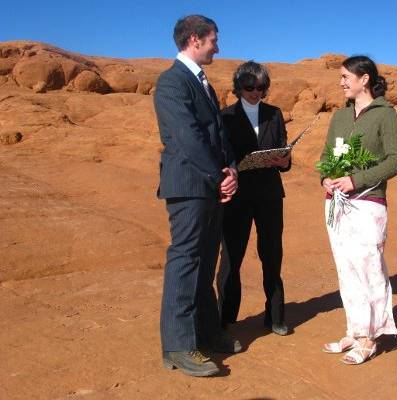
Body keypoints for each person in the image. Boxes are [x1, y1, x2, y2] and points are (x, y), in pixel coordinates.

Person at [154, 14, 241, 377]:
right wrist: (217, 175)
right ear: (194, 40)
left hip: (209, 186)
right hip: (190, 186)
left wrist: (232, 168)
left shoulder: (201, 82)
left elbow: (218, 133)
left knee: (205, 262)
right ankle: (178, 345)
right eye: (212, 40)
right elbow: (188, 137)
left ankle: (205, 333)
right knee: (186, 262)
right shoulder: (172, 82)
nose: (217, 47)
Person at [319, 55, 397, 364]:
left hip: (369, 203)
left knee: (370, 267)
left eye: (346, 77)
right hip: (336, 204)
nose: (341, 82)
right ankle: (354, 331)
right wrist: (326, 178)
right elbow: (327, 154)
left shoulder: (386, 115)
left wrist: (356, 180)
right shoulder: (340, 117)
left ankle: (370, 338)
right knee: (346, 268)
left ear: (364, 78)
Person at [217, 61, 291, 336]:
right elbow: (220, 156)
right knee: (231, 258)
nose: (255, 92)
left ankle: (275, 317)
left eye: (261, 87)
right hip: (237, 197)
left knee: (272, 254)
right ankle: (225, 318)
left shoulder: (274, 114)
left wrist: (284, 160)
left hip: (270, 195)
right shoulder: (224, 117)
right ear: (238, 87)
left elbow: (285, 155)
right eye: (249, 87)